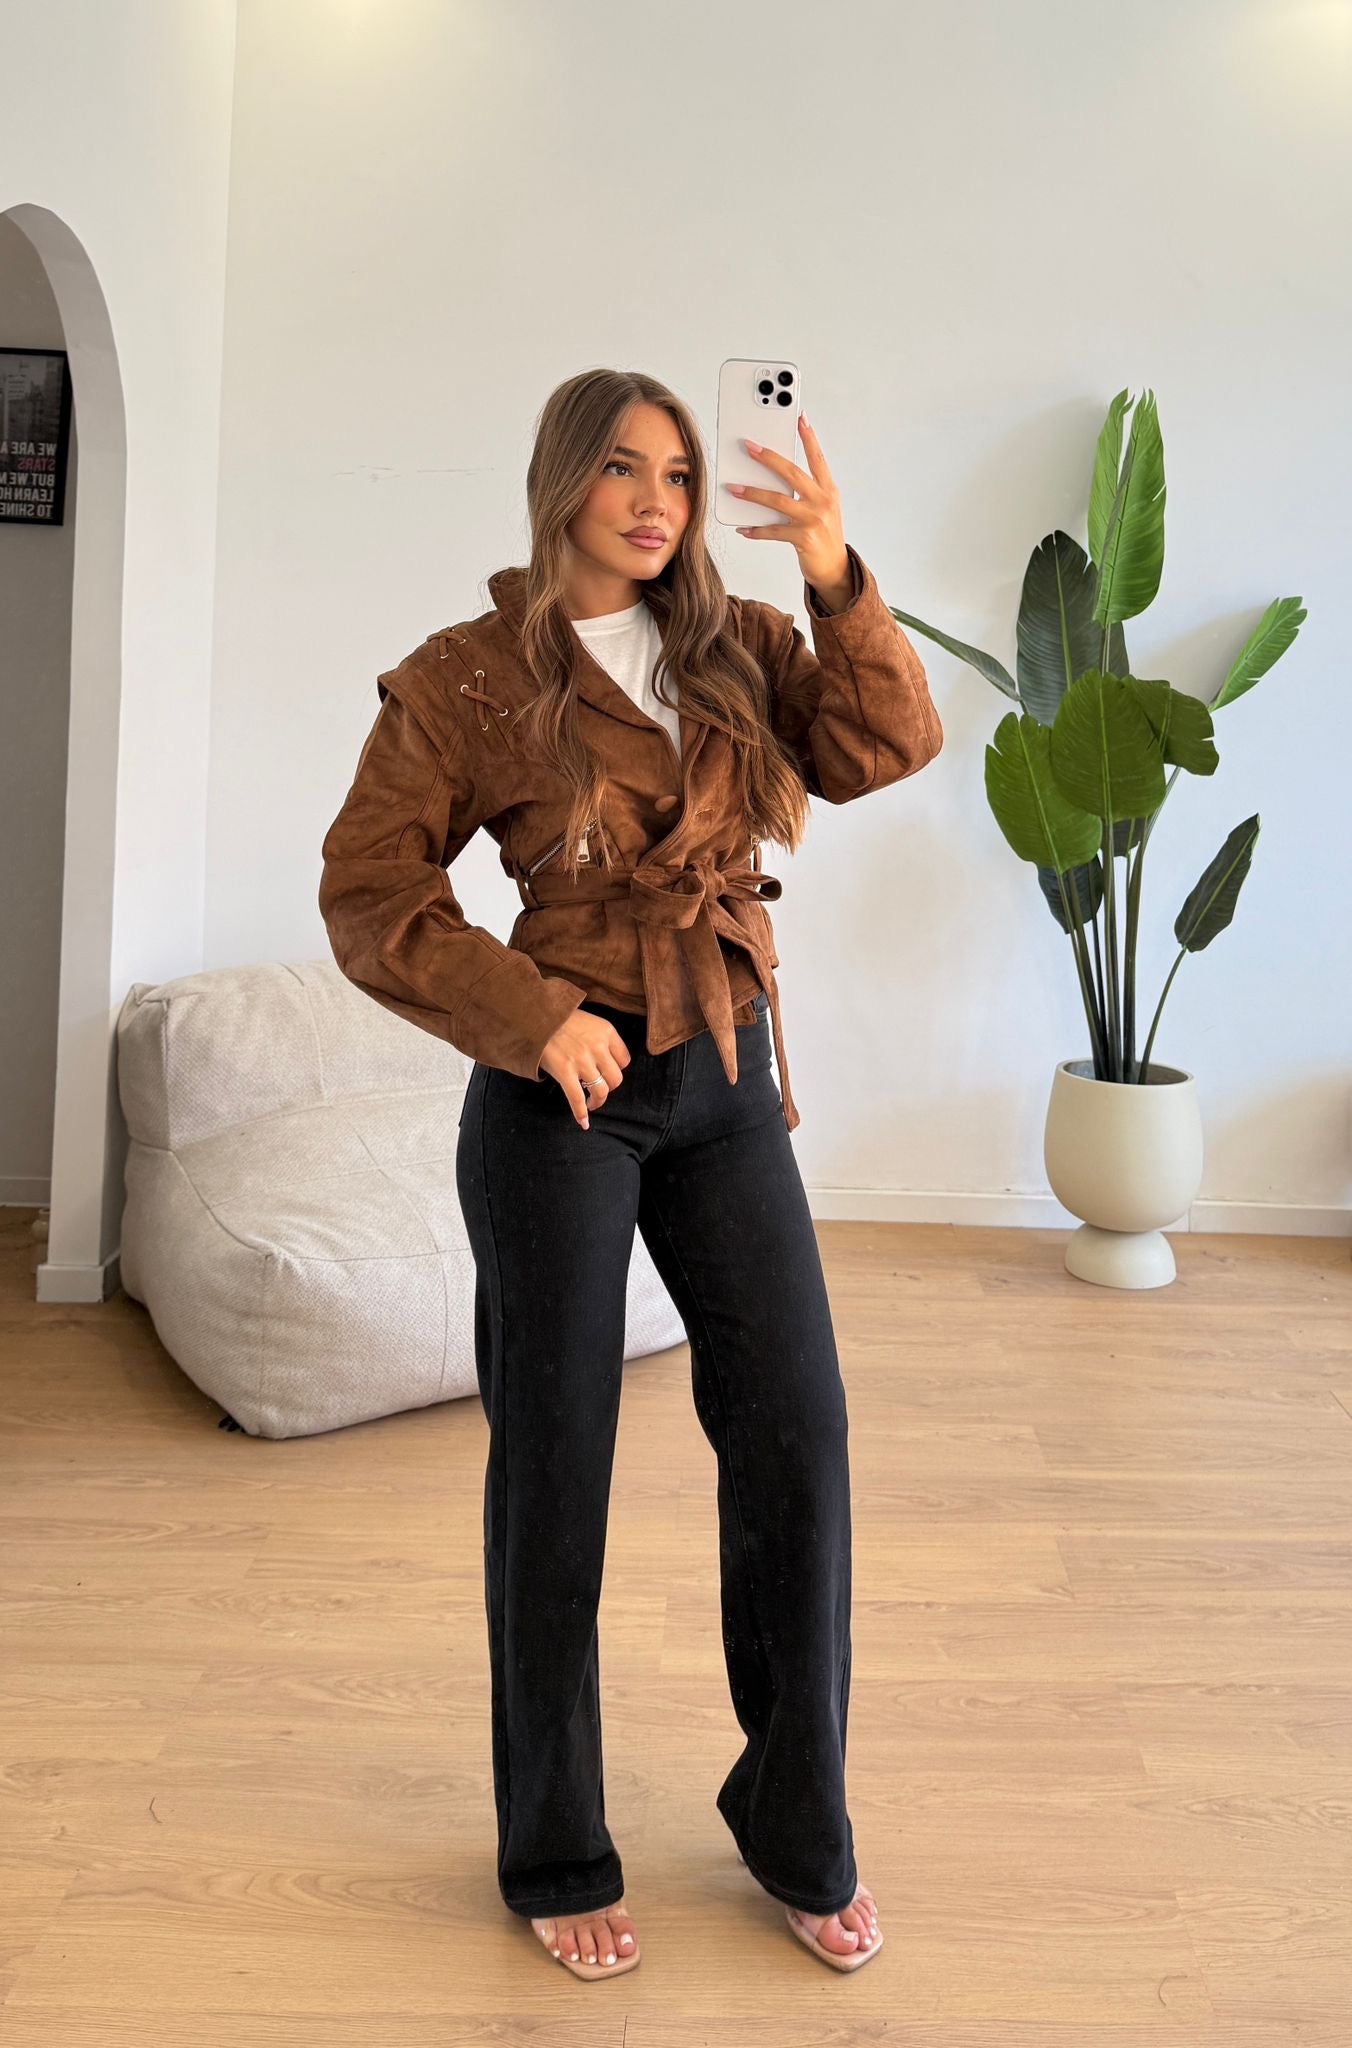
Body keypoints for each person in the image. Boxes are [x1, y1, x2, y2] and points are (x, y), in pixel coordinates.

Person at [318, 367, 942, 1980]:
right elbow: (370, 886)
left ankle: (798, 1828)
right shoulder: (469, 678)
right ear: (561, 484)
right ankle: (554, 1850)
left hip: (723, 1068)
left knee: (799, 1431)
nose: (657, 500)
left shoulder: (737, 644)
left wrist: (835, 575)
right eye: (622, 468)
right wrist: (531, 1017)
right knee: (558, 1462)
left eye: (676, 472)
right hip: (562, 1096)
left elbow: (887, 743)